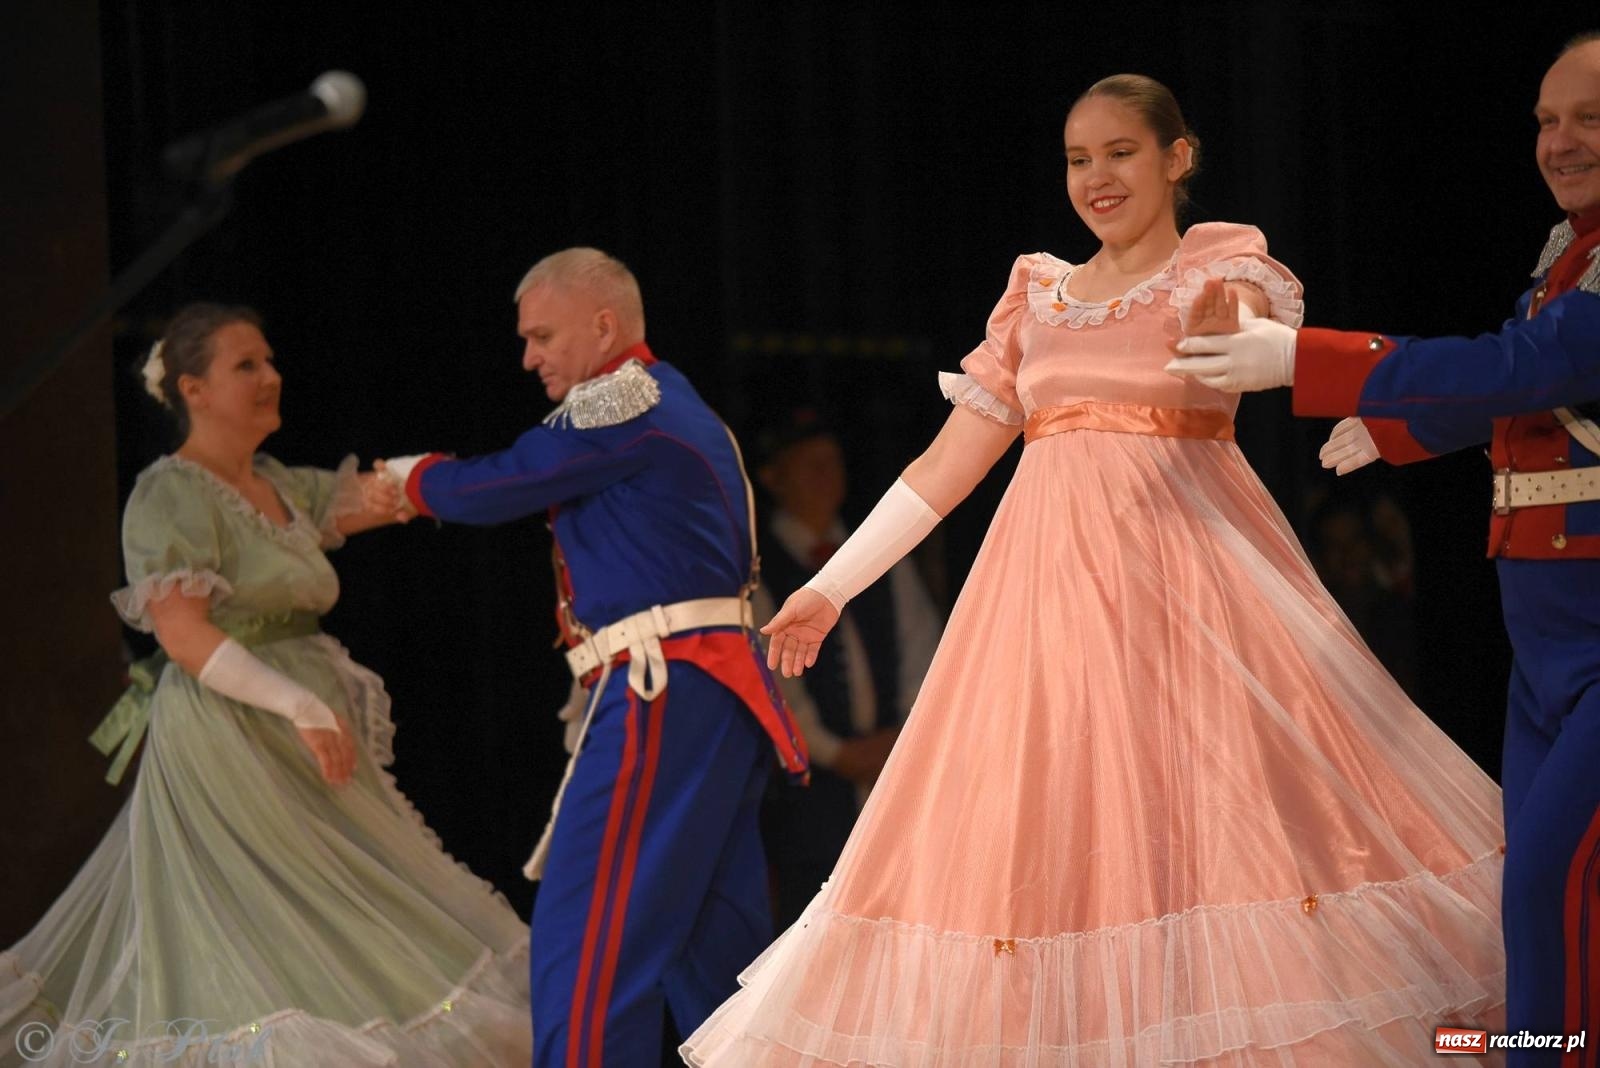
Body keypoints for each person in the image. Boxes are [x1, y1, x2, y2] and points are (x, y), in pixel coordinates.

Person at [681, 75, 1506, 1066]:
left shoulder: (1219, 256)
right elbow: (945, 467)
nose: (1096, 177)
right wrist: (826, 587)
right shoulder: (1037, 292)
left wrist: (1241, 325)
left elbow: (1246, 324)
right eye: (1078, 159)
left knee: (1224, 831)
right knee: (1058, 848)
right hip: (1046, 610)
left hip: (1191, 596)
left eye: (1120, 151)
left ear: (1176, 157)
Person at [1167, 31, 1600, 1064]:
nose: (1559, 140)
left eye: (1587, 116)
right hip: (1543, 635)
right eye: (1544, 119)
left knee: (1556, 874)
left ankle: (1550, 1053)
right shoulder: (1569, 251)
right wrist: (1406, 425)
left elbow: (1538, 362)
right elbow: (1520, 380)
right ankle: (1539, 1049)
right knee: (1529, 878)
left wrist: (1313, 362)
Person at [0, 303, 532, 1067]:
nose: (270, 376)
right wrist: (300, 703)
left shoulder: (278, 485)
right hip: (231, 733)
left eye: (270, 361)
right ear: (193, 388)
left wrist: (512, 474)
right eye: (245, 365)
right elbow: (183, 636)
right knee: (265, 913)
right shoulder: (169, 493)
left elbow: (384, 493)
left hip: (299, 732)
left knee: (344, 897)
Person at [378, 248, 810, 1068]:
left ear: (603, 326)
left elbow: (506, 481)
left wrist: (407, 482)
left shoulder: (624, 398)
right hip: (713, 692)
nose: (529, 358)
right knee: (719, 961)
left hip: (667, 688)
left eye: (542, 336)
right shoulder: (669, 402)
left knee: (588, 942)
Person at [750, 408, 941, 932]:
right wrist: (835, 752)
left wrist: (901, 738)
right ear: (774, 475)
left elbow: (922, 645)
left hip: (892, 770)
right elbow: (770, 675)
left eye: (831, 461)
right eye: (809, 463)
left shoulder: (873, 551)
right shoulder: (759, 568)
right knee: (810, 923)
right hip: (812, 790)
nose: (825, 474)